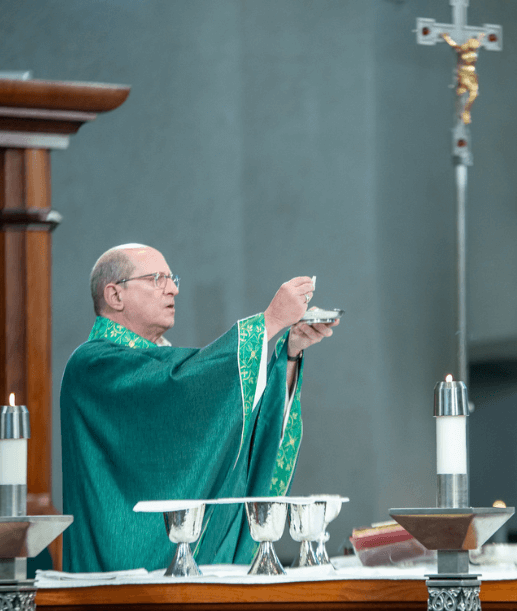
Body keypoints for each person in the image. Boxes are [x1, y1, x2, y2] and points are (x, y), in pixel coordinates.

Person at [60, 243, 338, 573]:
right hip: (117, 575)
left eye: (172, 278)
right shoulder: (92, 365)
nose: (173, 289)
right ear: (115, 295)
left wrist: (290, 353)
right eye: (157, 279)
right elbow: (180, 387)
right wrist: (270, 320)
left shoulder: (157, 365)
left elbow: (237, 432)